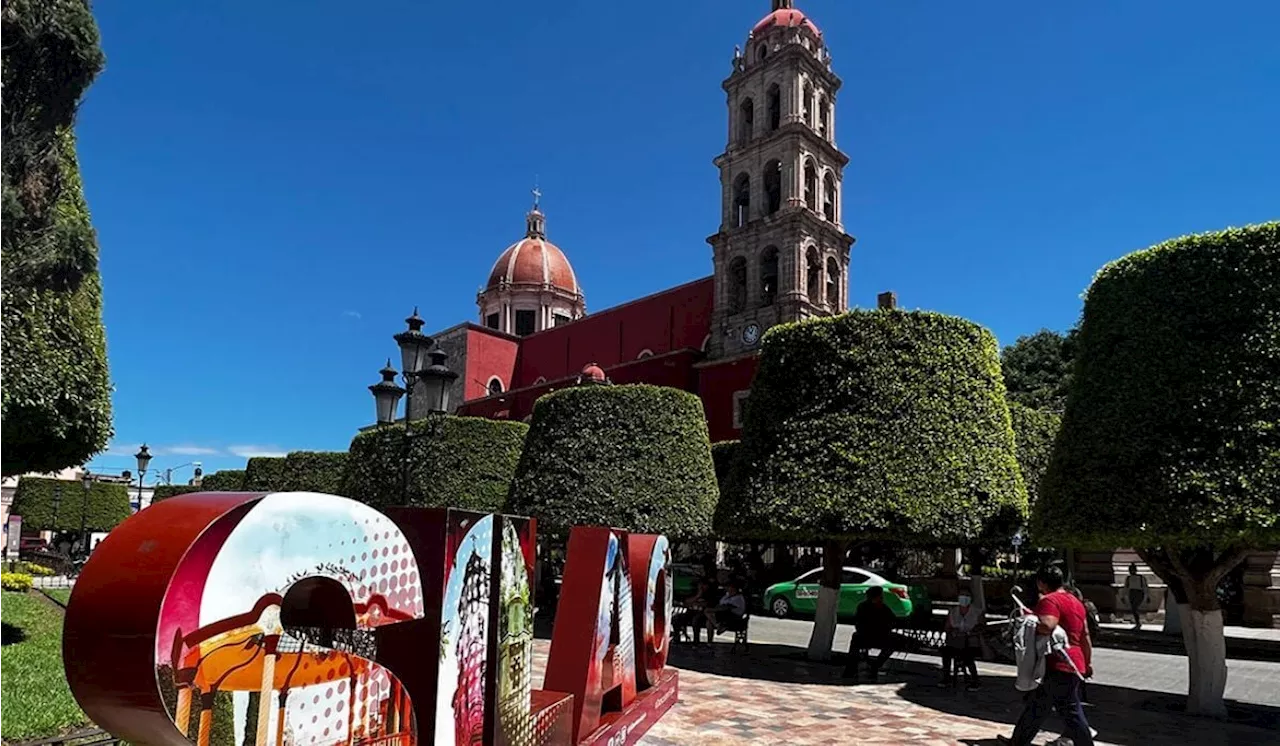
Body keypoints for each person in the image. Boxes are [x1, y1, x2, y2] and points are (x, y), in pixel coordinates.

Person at [999, 565, 1095, 746]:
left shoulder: (1049, 601)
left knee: (1067, 710)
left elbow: (1047, 625)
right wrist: (1087, 663)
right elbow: (1085, 635)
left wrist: (1029, 620)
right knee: (1039, 706)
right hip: (1075, 660)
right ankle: (1017, 742)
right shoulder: (1076, 602)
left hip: (1057, 661)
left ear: (1041, 583)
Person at [843, 586, 911, 682]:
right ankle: (874, 665)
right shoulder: (879, 607)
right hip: (876, 638)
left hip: (869, 637)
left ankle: (854, 669)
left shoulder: (865, 606)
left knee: (856, 638)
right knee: (897, 642)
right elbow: (893, 622)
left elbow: (892, 621)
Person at [940, 592, 983, 690]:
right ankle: (946, 678)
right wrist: (953, 631)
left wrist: (970, 633)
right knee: (946, 652)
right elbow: (947, 627)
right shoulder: (953, 611)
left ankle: (975, 680)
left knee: (968, 656)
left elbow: (981, 628)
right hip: (955, 642)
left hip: (971, 643)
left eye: (966, 596)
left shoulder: (977, 612)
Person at [674, 578, 717, 643]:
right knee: (677, 618)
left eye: (703, 585)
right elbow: (686, 602)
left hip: (703, 614)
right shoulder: (694, 592)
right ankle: (677, 637)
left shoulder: (710, 594)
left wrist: (696, 603)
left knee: (696, 620)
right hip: (691, 612)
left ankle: (696, 640)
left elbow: (708, 604)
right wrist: (698, 595)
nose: (701, 587)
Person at [1124, 563, 1149, 630]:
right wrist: (1124, 596)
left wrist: (1147, 595)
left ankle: (1138, 623)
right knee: (1133, 608)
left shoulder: (1141, 577)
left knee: (1135, 607)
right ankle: (1137, 622)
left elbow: (1145, 587)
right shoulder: (1128, 578)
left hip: (1139, 593)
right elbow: (1126, 588)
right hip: (1132, 593)